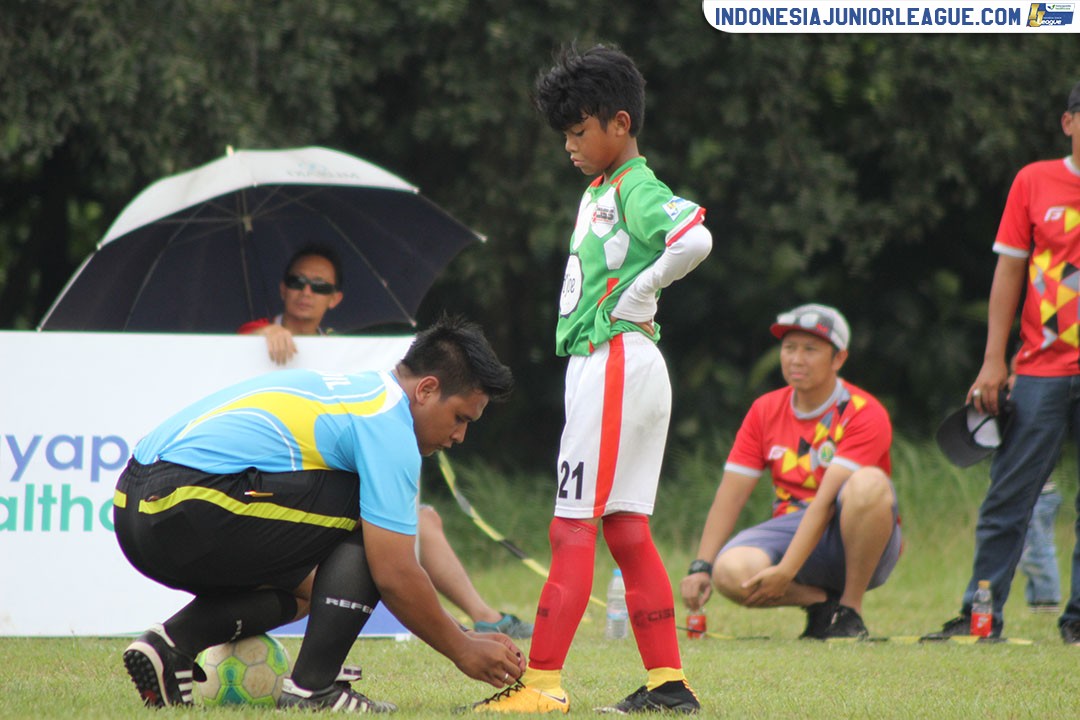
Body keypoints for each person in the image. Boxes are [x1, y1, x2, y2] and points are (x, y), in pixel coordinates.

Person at [465, 44, 712, 714]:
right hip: (618, 364)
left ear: (620, 124)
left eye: (579, 131)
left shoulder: (634, 185)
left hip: (616, 359)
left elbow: (693, 240)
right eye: (565, 135)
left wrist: (645, 290)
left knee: (571, 527)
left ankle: (540, 683)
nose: (569, 146)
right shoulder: (601, 188)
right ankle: (668, 685)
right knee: (627, 531)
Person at [115, 315, 525, 711]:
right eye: (460, 418)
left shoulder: (358, 392)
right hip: (182, 501)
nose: (459, 436)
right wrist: (462, 650)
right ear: (427, 389)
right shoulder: (388, 423)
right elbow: (395, 572)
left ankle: (171, 647)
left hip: (133, 507)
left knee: (308, 590)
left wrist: (463, 632)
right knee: (367, 514)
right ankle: (314, 687)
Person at [239, 244, 533, 639]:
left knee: (417, 520)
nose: (306, 292)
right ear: (282, 288)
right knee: (380, 549)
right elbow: (394, 572)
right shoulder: (251, 337)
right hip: (263, 489)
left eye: (319, 286)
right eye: (297, 282)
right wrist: (459, 645)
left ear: (335, 298)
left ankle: (480, 617)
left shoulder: (344, 353)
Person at [923, 81, 1080, 645]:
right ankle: (979, 613)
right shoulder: (1035, 181)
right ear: (1068, 122)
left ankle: (1078, 622)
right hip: (1040, 368)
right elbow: (1009, 272)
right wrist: (994, 360)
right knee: (1010, 494)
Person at [679, 305, 902, 640]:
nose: (796, 359)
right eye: (789, 348)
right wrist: (702, 566)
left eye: (810, 349)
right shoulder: (766, 409)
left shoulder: (863, 412)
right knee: (730, 571)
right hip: (793, 527)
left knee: (868, 484)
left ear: (838, 359)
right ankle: (824, 606)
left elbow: (827, 502)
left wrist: (785, 571)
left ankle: (850, 613)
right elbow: (731, 493)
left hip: (856, 531)